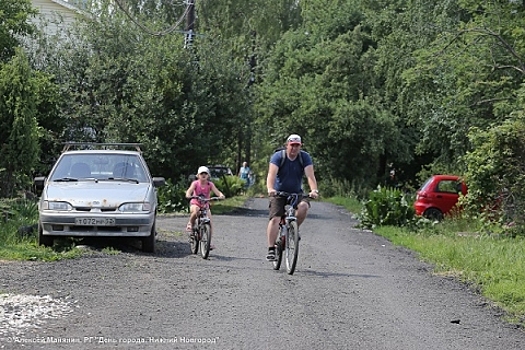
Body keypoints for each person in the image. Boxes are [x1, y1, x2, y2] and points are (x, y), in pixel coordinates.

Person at [265, 134, 319, 261]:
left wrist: (314, 190)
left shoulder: (304, 157)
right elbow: (271, 175)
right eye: (292, 145)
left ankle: (293, 230)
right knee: (276, 218)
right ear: (287, 145)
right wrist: (270, 189)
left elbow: (310, 176)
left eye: (297, 146)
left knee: (304, 206)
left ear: (301, 146)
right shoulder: (279, 156)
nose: (294, 148)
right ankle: (271, 249)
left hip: (296, 193)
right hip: (279, 193)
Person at [185, 166, 225, 246]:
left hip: (205, 205)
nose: (203, 175)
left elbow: (217, 192)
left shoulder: (210, 184)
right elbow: (189, 191)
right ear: (198, 175)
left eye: (205, 173)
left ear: (208, 175)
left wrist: (221, 195)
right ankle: (190, 224)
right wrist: (188, 194)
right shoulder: (195, 183)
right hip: (195, 203)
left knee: (210, 222)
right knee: (196, 210)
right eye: (201, 173)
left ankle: (208, 242)